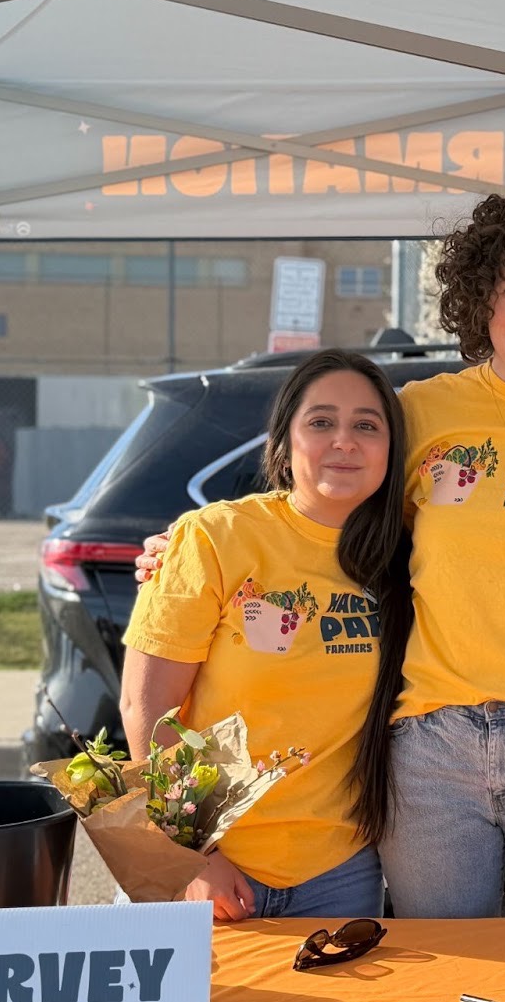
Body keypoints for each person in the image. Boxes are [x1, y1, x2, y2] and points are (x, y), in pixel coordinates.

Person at [139, 185, 505, 920]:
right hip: (431, 750)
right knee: (437, 977)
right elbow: (331, 526)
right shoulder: (418, 414)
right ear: (478, 301)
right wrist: (177, 553)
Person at [120, 348, 412, 922]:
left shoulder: (410, 554)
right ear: (283, 443)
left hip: (340, 870)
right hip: (212, 865)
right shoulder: (216, 537)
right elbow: (146, 705)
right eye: (321, 421)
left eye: (367, 426)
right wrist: (194, 852)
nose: (345, 441)